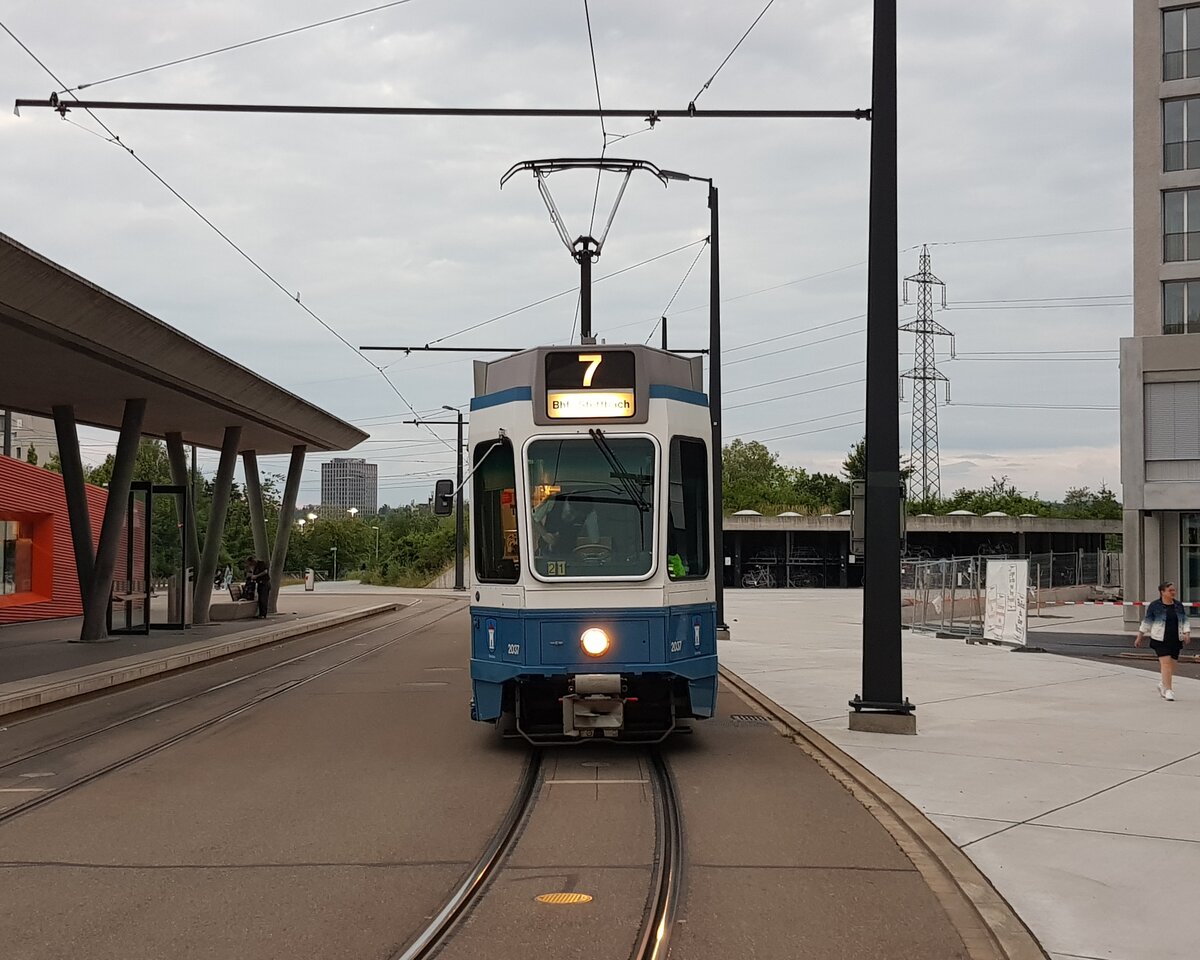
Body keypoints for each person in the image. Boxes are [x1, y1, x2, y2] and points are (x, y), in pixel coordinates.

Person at [1134, 580, 1191, 701]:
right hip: (1160, 639)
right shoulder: (1155, 606)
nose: (1173, 592)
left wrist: (1187, 633)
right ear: (1162, 592)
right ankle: (1168, 690)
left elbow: (1184, 620)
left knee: (1173, 665)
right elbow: (1147, 622)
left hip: (1175, 639)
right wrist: (1140, 636)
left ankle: (1163, 684)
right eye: (1170, 590)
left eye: (1174, 590)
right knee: (1166, 664)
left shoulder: (1178, 605)